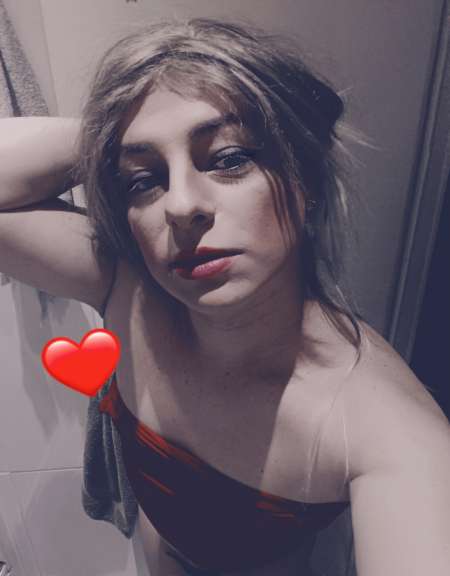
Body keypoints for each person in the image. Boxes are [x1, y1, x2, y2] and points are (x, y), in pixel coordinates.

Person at [0, 17, 449, 576]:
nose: (180, 205)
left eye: (229, 157)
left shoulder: (387, 432)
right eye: (144, 178)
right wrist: (109, 133)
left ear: (305, 182)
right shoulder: (127, 288)